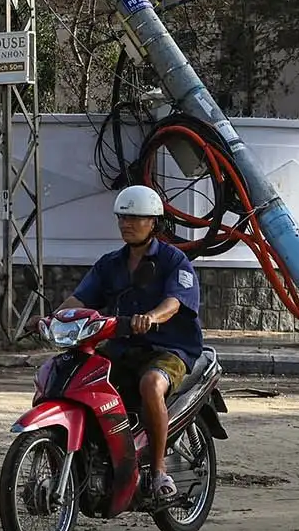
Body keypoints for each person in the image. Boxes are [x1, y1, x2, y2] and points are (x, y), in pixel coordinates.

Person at [55, 184, 203, 504]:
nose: (127, 224)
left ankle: (160, 470)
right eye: (123, 217)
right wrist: (54, 318)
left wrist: (151, 317)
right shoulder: (110, 264)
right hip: (122, 347)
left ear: (154, 223)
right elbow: (79, 298)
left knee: (150, 384)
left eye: (136, 218)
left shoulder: (173, 261)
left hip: (168, 349)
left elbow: (175, 303)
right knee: (78, 378)